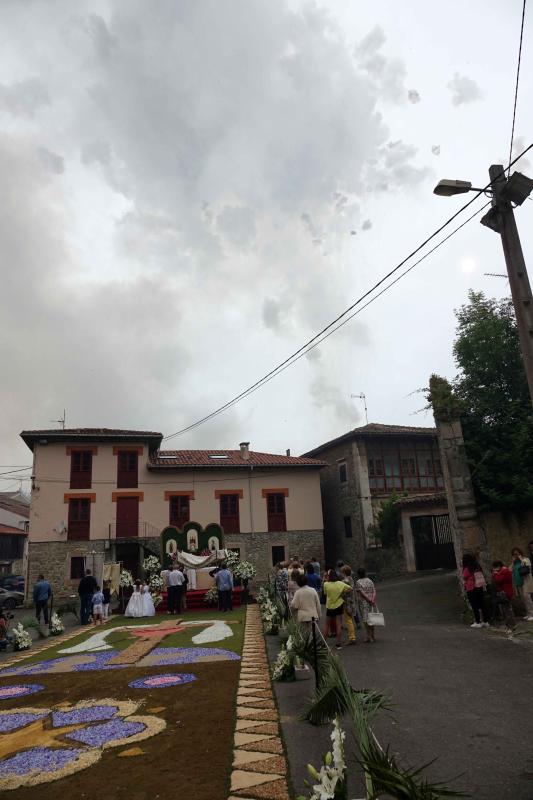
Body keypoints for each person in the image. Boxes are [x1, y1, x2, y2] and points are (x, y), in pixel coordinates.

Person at [323, 569, 352, 649]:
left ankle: (324, 643)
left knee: (326, 625)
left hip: (329, 606)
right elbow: (350, 588)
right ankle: (338, 644)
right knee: (339, 624)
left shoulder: (326, 584)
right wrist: (342, 593)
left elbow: (325, 593)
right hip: (339, 604)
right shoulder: (340, 583)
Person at [461, 554, 489, 628]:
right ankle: (485, 621)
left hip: (471, 588)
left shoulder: (467, 568)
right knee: (482, 604)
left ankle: (478, 621)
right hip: (479, 586)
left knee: (474, 605)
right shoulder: (477, 566)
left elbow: (464, 576)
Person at [492, 561, 516, 631]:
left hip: (506, 593)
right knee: (504, 610)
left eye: (495, 568)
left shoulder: (504, 571)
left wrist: (495, 574)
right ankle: (508, 625)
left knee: (507, 611)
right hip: (503, 593)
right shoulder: (502, 571)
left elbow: (498, 580)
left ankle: (512, 626)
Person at [511, 548, 533, 620]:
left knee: (527, 597)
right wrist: (512, 562)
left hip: (526, 582)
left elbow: (528, 566)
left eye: (517, 553)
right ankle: (528, 613)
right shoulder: (514, 563)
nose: (516, 555)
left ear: (520, 553)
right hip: (518, 582)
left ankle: (532, 613)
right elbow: (509, 570)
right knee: (523, 599)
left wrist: (521, 559)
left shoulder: (525, 559)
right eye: (514, 554)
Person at [355, 568, 377, 643]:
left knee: (366, 620)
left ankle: (368, 636)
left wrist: (368, 599)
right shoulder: (370, 580)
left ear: (358, 574)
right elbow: (374, 590)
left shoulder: (358, 582)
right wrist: (373, 599)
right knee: (372, 618)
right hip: (371, 602)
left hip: (363, 603)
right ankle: (372, 635)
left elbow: (361, 593)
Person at [341, 565, 356, 645]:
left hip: (347, 602)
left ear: (344, 572)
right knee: (350, 619)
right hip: (352, 601)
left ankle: (352, 638)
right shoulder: (351, 579)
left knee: (348, 620)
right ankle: (351, 636)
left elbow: (344, 592)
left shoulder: (345, 581)